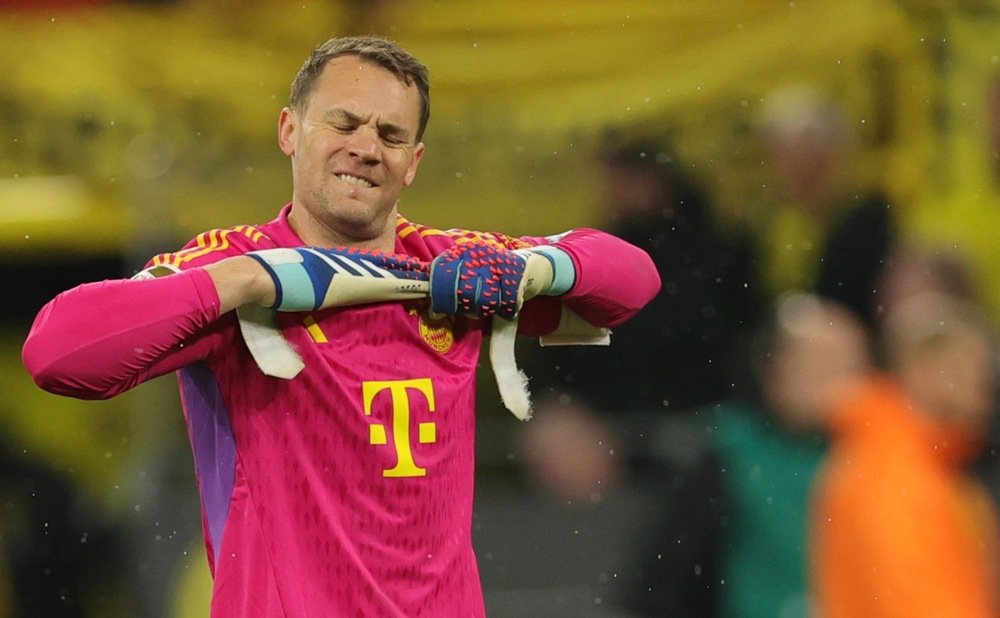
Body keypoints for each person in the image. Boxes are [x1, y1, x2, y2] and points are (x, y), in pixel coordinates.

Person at [20, 35, 660, 618]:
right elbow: (56, 352)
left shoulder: (450, 269)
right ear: (289, 131)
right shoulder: (232, 265)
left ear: (413, 162)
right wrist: (245, 282)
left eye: (391, 135)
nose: (366, 148)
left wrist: (532, 268)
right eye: (344, 123)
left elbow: (633, 281)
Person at [808, 291, 1000, 617]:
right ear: (920, 366)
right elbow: (915, 604)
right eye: (969, 361)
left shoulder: (922, 463)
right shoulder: (889, 469)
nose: (984, 381)